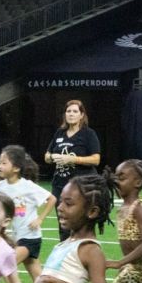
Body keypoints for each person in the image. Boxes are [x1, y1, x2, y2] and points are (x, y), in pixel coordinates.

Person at [0, 145, 54, 283]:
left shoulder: (27, 186)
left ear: (16, 168)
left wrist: (40, 219)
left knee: (7, 264)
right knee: (39, 279)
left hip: (31, 237)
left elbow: (51, 199)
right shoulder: (0, 186)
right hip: (17, 236)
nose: (0, 166)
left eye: (4, 163)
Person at [43, 99, 101, 240]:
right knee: (63, 224)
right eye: (68, 111)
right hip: (60, 185)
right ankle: (65, 257)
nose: (71, 114)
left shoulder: (88, 134)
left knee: (81, 223)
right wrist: (52, 157)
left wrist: (73, 159)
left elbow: (96, 159)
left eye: (75, 111)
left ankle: (83, 256)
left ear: (82, 115)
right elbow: (46, 156)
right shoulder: (60, 133)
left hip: (81, 187)